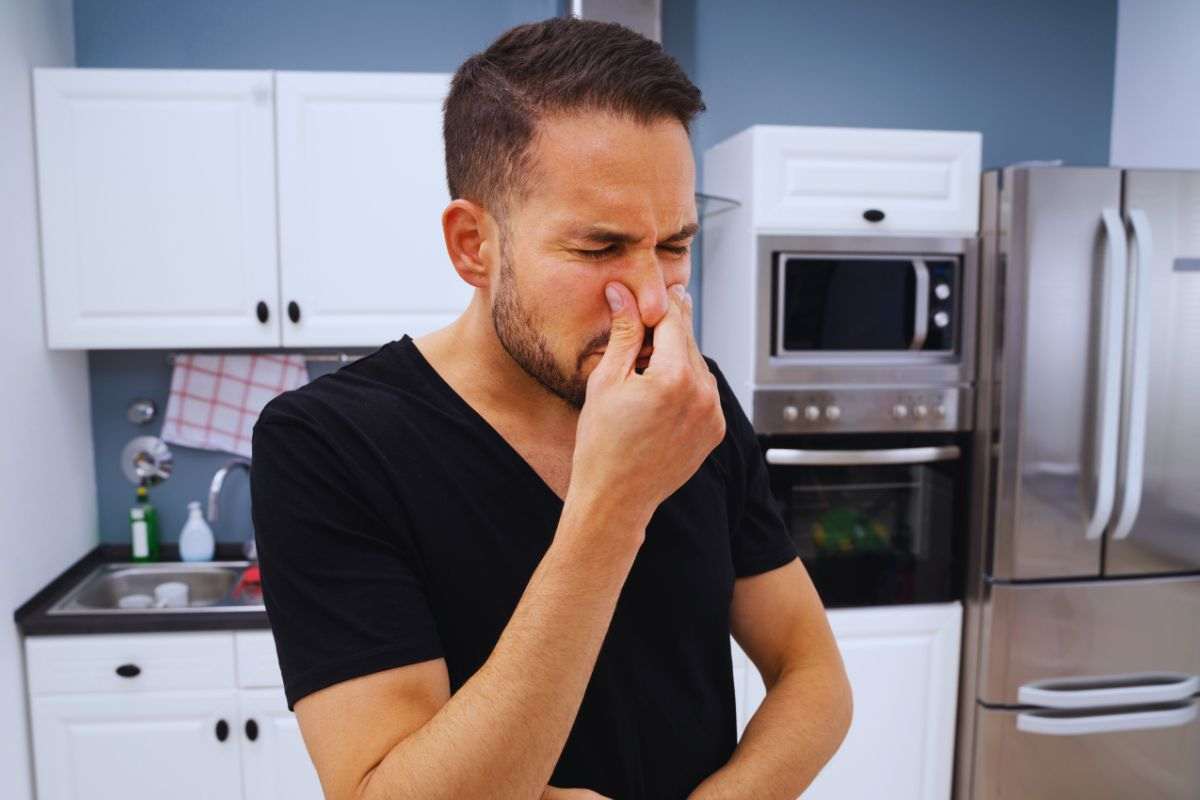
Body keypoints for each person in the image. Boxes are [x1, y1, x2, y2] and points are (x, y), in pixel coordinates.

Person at [250, 16, 851, 800]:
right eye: (600, 249)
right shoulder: (328, 443)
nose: (652, 299)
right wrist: (616, 503)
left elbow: (814, 676)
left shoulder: (688, 400)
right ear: (474, 245)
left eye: (674, 245)